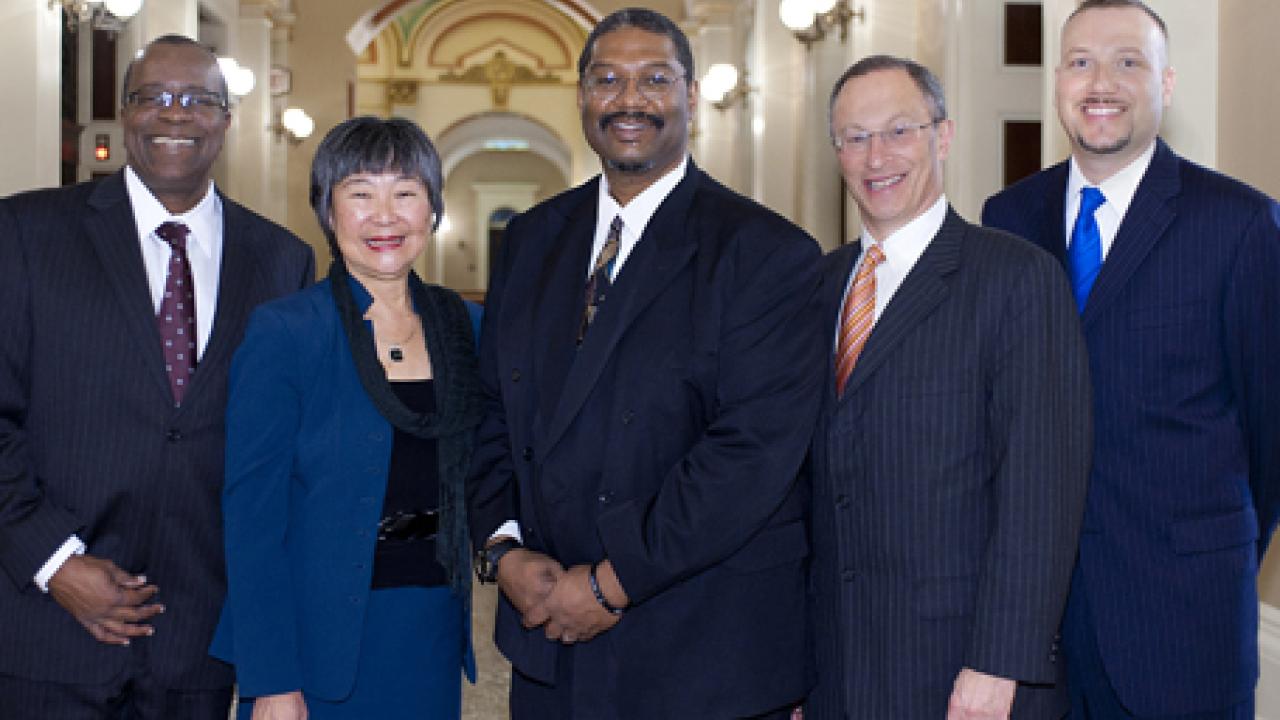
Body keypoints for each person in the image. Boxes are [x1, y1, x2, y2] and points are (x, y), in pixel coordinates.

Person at [466, 7, 824, 718]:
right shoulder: (533, 238)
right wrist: (503, 551)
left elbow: (750, 453)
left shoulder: (766, 252)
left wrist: (609, 583)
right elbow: (488, 413)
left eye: (655, 79)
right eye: (608, 79)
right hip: (550, 642)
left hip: (700, 645)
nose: (630, 100)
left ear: (691, 96)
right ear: (582, 97)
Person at [0, 35, 313, 719]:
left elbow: (285, 455)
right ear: (124, 113)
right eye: (154, 98)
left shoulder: (282, 263)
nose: (175, 116)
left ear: (226, 120)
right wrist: (54, 562)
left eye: (198, 100)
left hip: (197, 640)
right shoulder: (25, 233)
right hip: (44, 626)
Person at [982, 1, 1280, 717]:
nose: (1101, 82)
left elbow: (1271, 434)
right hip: (1039, 630)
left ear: (1166, 84)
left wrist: (1206, 548)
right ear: (1057, 80)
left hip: (1182, 624)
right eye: (1081, 61)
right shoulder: (1007, 219)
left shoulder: (1238, 223)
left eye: (1128, 61)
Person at [807, 55, 1091, 720]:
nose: (877, 156)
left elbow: (1041, 489)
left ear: (943, 136)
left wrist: (998, 662)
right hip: (834, 672)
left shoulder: (1016, 279)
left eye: (899, 131)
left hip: (964, 676)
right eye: (855, 137)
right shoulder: (815, 289)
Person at [209, 116, 483, 719]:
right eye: (361, 193)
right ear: (328, 211)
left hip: (429, 627)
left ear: (433, 208)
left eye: (406, 192)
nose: (385, 216)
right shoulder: (287, 332)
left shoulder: (463, 327)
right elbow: (253, 521)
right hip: (319, 640)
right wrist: (271, 677)